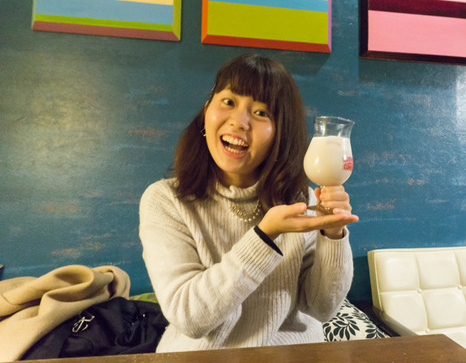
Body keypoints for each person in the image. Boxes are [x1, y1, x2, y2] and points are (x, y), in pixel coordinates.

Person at [139, 53, 359, 352]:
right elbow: (189, 317)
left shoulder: (303, 200)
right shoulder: (165, 200)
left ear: (280, 132)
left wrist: (333, 235)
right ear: (207, 111)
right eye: (228, 102)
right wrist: (265, 236)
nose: (239, 122)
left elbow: (322, 308)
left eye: (260, 112)